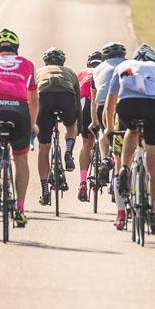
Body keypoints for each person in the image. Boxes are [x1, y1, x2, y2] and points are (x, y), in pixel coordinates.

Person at [103, 43, 155, 235]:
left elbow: (110, 104)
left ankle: (125, 167)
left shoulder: (122, 67)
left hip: (126, 107)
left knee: (131, 131)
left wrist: (109, 127)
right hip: (151, 107)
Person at [0, 27, 38, 228]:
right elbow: (34, 100)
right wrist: (32, 125)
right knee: (21, 160)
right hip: (19, 110)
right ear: (16, 48)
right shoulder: (28, 64)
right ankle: (20, 209)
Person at [34, 48, 82, 206]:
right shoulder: (69, 72)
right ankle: (68, 151)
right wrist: (78, 125)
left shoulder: (39, 72)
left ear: (46, 62)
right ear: (63, 62)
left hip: (44, 99)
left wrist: (33, 124)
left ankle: (45, 192)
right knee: (70, 126)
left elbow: (32, 98)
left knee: (44, 148)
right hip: (65, 98)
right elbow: (77, 102)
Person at [90, 41, 127, 186]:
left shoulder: (98, 68)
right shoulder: (130, 64)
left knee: (102, 131)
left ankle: (105, 158)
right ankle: (124, 165)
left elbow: (93, 100)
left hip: (102, 105)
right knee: (128, 132)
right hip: (123, 102)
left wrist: (94, 122)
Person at [75, 50, 102, 200]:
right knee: (108, 137)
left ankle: (83, 181)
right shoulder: (106, 70)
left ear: (88, 64)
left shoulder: (81, 73)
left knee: (86, 144)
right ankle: (106, 160)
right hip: (102, 103)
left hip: (85, 103)